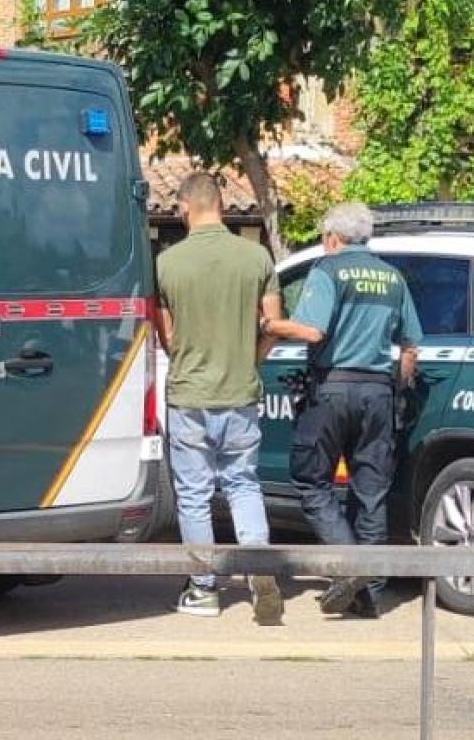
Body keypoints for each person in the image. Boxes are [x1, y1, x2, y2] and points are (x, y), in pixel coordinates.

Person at [262, 202, 421, 619]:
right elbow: (409, 350)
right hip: (378, 393)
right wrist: (396, 392)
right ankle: (368, 594)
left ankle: (348, 566)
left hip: (332, 389)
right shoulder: (393, 277)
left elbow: (313, 330)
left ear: (333, 237)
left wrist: (271, 326)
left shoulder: (327, 270)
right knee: (371, 494)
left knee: (311, 480)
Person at [155, 173, 284, 625]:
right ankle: (258, 569)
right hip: (240, 391)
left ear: (186, 208)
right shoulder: (256, 257)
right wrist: (250, 360)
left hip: (189, 394)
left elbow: (166, 335)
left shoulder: (167, 263)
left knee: (193, 494)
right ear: (222, 205)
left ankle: (204, 588)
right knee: (243, 483)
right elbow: (273, 325)